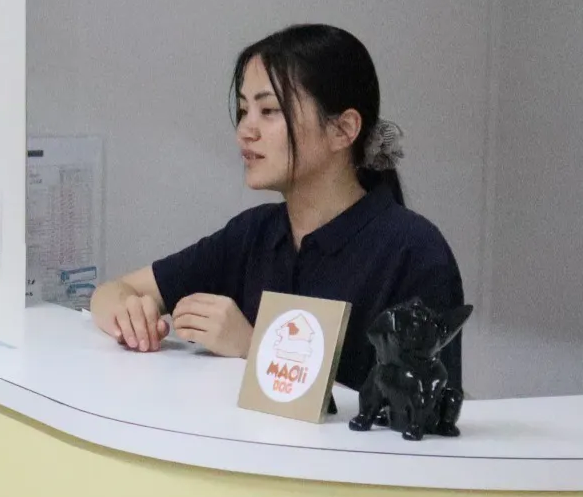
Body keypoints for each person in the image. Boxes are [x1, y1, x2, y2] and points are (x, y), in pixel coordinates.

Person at [89, 23, 464, 389]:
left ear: (343, 129)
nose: (245, 131)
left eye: (269, 111)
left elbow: (414, 409)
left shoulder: (413, 251)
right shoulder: (254, 233)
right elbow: (112, 291)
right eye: (243, 111)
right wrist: (129, 314)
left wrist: (254, 347)